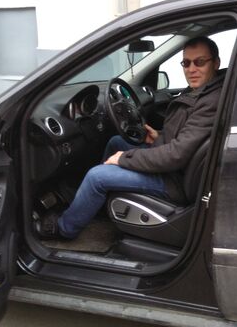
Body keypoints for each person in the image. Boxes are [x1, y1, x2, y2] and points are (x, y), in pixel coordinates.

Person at [36, 36, 225, 240]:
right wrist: (159, 136)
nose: (191, 69)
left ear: (215, 63)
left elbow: (176, 155)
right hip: (175, 168)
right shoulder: (202, 90)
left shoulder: (210, 101)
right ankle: (91, 203)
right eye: (186, 63)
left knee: (96, 177)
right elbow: (185, 137)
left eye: (199, 62)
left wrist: (124, 159)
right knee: (115, 142)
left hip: (174, 180)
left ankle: (64, 228)